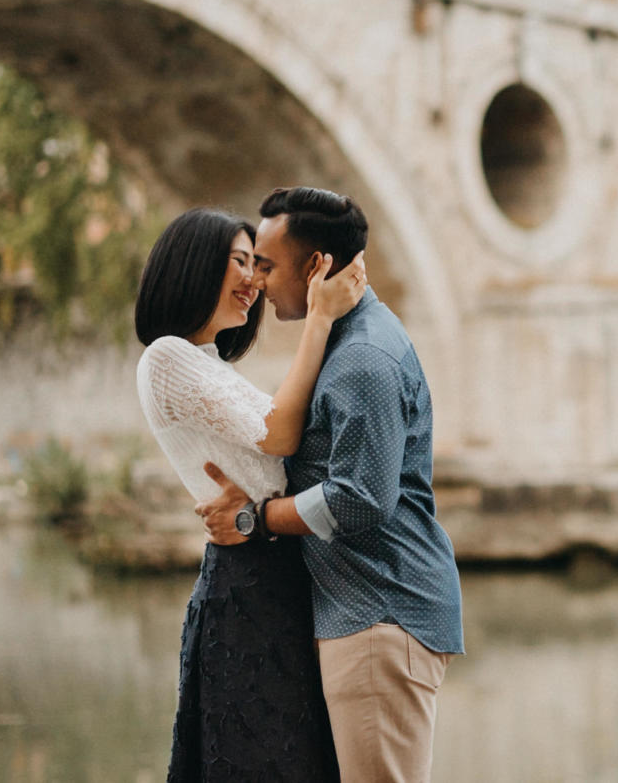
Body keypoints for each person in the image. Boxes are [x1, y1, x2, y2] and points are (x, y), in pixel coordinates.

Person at [196, 187, 465, 783]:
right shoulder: (347, 341)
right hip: (366, 614)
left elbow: (359, 500)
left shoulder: (363, 358)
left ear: (316, 266)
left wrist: (255, 518)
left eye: (265, 265)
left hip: (380, 616)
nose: (257, 281)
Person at [134, 207, 367, 782]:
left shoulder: (207, 363)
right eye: (239, 263)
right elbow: (282, 432)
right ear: (193, 266)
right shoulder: (167, 357)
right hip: (249, 587)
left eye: (257, 265)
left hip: (277, 573)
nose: (254, 281)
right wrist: (318, 317)